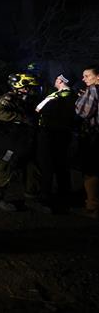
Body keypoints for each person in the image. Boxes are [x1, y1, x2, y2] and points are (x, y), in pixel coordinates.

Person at [0, 73, 40, 211]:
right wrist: (21, 118)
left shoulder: (24, 99)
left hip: (21, 140)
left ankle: (31, 195)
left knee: (30, 166)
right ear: (20, 87)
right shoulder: (9, 98)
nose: (31, 90)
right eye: (28, 87)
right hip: (6, 141)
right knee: (2, 167)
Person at [35, 74, 76, 211]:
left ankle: (45, 198)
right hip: (65, 133)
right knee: (62, 166)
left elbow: (38, 109)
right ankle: (65, 196)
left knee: (46, 166)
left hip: (49, 133)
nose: (55, 80)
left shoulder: (55, 96)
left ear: (61, 81)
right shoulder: (74, 95)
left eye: (57, 78)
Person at [74, 65, 99, 220]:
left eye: (87, 76)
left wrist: (81, 98)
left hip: (95, 136)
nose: (83, 79)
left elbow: (84, 112)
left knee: (92, 171)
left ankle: (93, 207)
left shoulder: (94, 89)